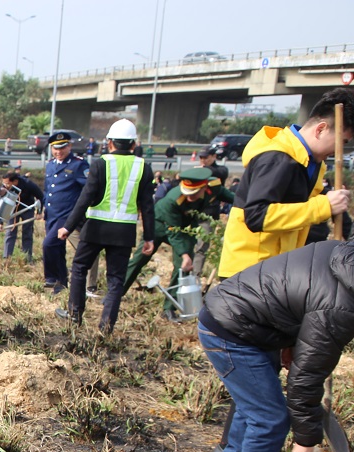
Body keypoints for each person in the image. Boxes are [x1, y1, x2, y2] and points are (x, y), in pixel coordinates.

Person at [198, 240, 354, 452]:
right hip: (233, 329)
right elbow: (304, 380)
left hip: (242, 316)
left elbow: (298, 297)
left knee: (254, 403)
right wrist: (305, 440)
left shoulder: (341, 255)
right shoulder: (342, 306)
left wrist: (291, 340)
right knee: (269, 416)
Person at [219, 88, 353, 279]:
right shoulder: (277, 158)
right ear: (321, 129)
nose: (339, 151)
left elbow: (308, 208)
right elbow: (257, 216)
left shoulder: (310, 162)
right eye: (341, 141)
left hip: (276, 271)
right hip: (249, 274)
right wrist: (324, 206)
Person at [55, 119, 155, 333]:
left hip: (96, 229)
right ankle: (106, 326)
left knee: (80, 268)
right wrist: (149, 237)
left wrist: (68, 227)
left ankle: (74, 314)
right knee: (116, 280)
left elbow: (85, 198)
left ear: (110, 143)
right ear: (133, 144)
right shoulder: (143, 167)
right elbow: (147, 206)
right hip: (124, 233)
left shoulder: (101, 164)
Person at [121, 168, 234, 319]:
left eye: (194, 194)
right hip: (160, 224)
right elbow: (173, 232)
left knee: (183, 265)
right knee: (140, 258)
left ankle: (169, 308)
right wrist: (185, 254)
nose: (190, 197)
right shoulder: (173, 200)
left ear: (204, 187)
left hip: (185, 226)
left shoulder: (214, 185)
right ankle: (115, 294)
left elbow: (232, 197)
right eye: (188, 193)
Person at [41, 130, 90, 291]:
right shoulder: (50, 164)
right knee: (58, 249)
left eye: (62, 148)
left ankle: (51, 277)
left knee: (48, 245)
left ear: (69, 146)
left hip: (67, 215)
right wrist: (43, 208)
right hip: (51, 214)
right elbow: (48, 189)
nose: (58, 152)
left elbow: (88, 188)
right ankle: (61, 284)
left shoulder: (78, 164)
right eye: (55, 148)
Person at [190, 146, 230, 274]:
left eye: (206, 158)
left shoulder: (220, 170)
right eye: (201, 158)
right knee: (189, 245)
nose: (202, 160)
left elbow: (220, 173)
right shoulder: (197, 171)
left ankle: (195, 274)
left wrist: (203, 170)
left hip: (209, 213)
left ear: (214, 157)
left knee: (202, 246)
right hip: (193, 212)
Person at [0, 171, 42, 262]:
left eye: (7, 183)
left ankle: (27, 257)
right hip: (12, 209)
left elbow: (40, 196)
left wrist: (39, 211)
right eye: (4, 183)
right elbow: (0, 204)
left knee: (27, 232)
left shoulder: (28, 184)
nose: (5, 186)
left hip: (27, 208)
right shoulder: (4, 188)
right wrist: (0, 222)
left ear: (15, 181)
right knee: (10, 232)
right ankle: (7, 257)